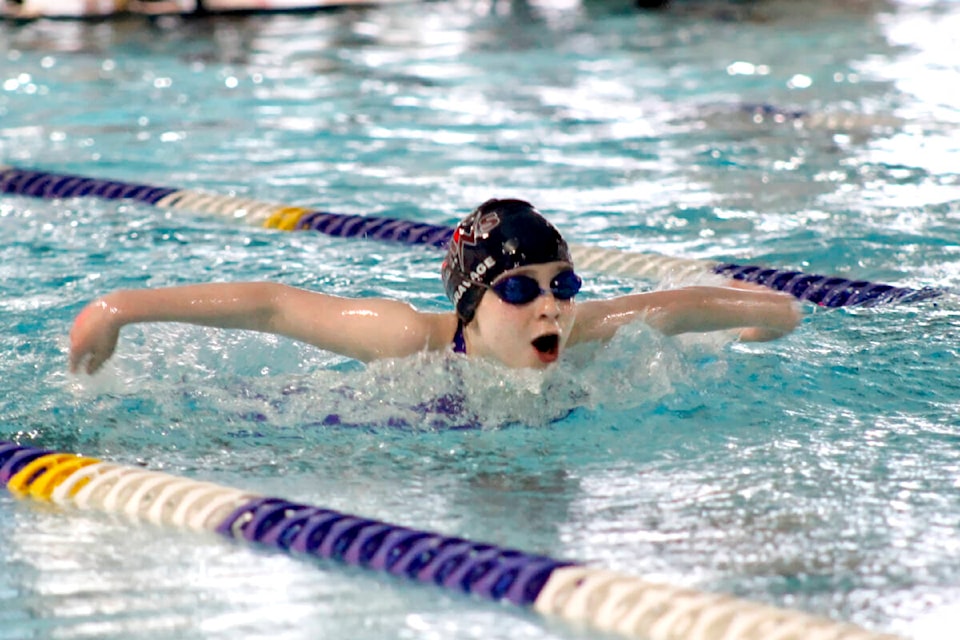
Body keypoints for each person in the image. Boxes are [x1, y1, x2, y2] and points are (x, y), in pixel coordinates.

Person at [69, 198, 801, 376]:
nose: (551, 305)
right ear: (471, 307)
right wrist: (115, 309)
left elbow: (728, 305)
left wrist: (756, 327)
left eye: (564, 283)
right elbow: (272, 302)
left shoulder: (586, 331)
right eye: (520, 291)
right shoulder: (405, 339)